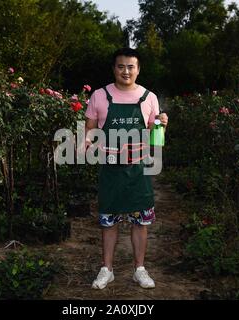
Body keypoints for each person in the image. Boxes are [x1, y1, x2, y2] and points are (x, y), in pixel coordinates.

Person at [84, 47, 168, 289]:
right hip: (110, 169)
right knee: (109, 221)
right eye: (121, 66)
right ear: (114, 69)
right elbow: (90, 129)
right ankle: (106, 269)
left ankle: (139, 269)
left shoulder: (148, 97)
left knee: (140, 221)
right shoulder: (99, 96)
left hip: (139, 169)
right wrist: (91, 145)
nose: (126, 71)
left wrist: (162, 123)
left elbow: (156, 135)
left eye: (131, 66)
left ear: (138, 70)